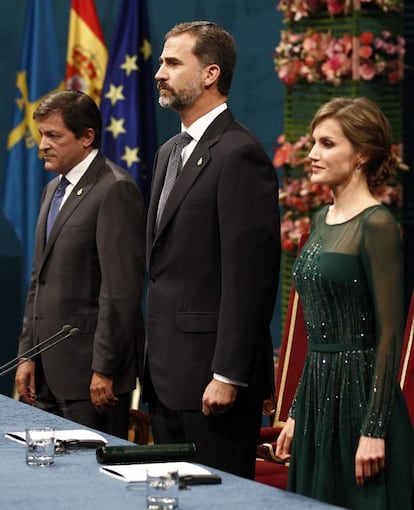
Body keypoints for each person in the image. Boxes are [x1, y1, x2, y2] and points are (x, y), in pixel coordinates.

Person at [144, 21, 280, 479]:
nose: (159, 72)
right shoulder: (168, 152)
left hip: (211, 381)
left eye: (172, 62)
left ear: (210, 74)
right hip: (165, 376)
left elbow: (251, 277)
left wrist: (228, 374)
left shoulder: (239, 153)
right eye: (161, 61)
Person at [276, 97, 414, 508]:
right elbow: (316, 334)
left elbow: (391, 334)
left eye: (327, 144)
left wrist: (373, 429)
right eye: (313, 142)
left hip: (364, 403)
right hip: (319, 403)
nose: (313, 155)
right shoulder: (320, 219)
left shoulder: (378, 224)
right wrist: (299, 411)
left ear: (363, 155)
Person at [14, 90, 146, 439]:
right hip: (46, 373)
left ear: (87, 137)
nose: (43, 144)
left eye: (54, 135)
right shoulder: (52, 190)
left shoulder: (114, 189)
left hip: (90, 379)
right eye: (41, 134)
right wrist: (27, 355)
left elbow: (120, 291)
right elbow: (38, 281)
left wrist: (105, 369)